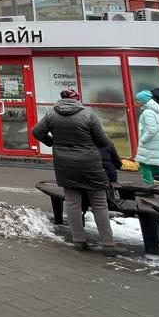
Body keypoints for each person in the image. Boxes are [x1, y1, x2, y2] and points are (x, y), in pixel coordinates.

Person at [31, 89, 117, 250]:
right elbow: (103, 142)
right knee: (99, 203)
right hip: (89, 163)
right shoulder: (88, 115)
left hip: (64, 164)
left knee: (72, 203)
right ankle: (108, 243)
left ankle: (79, 240)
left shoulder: (51, 114)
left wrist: (52, 142)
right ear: (77, 99)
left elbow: (36, 132)